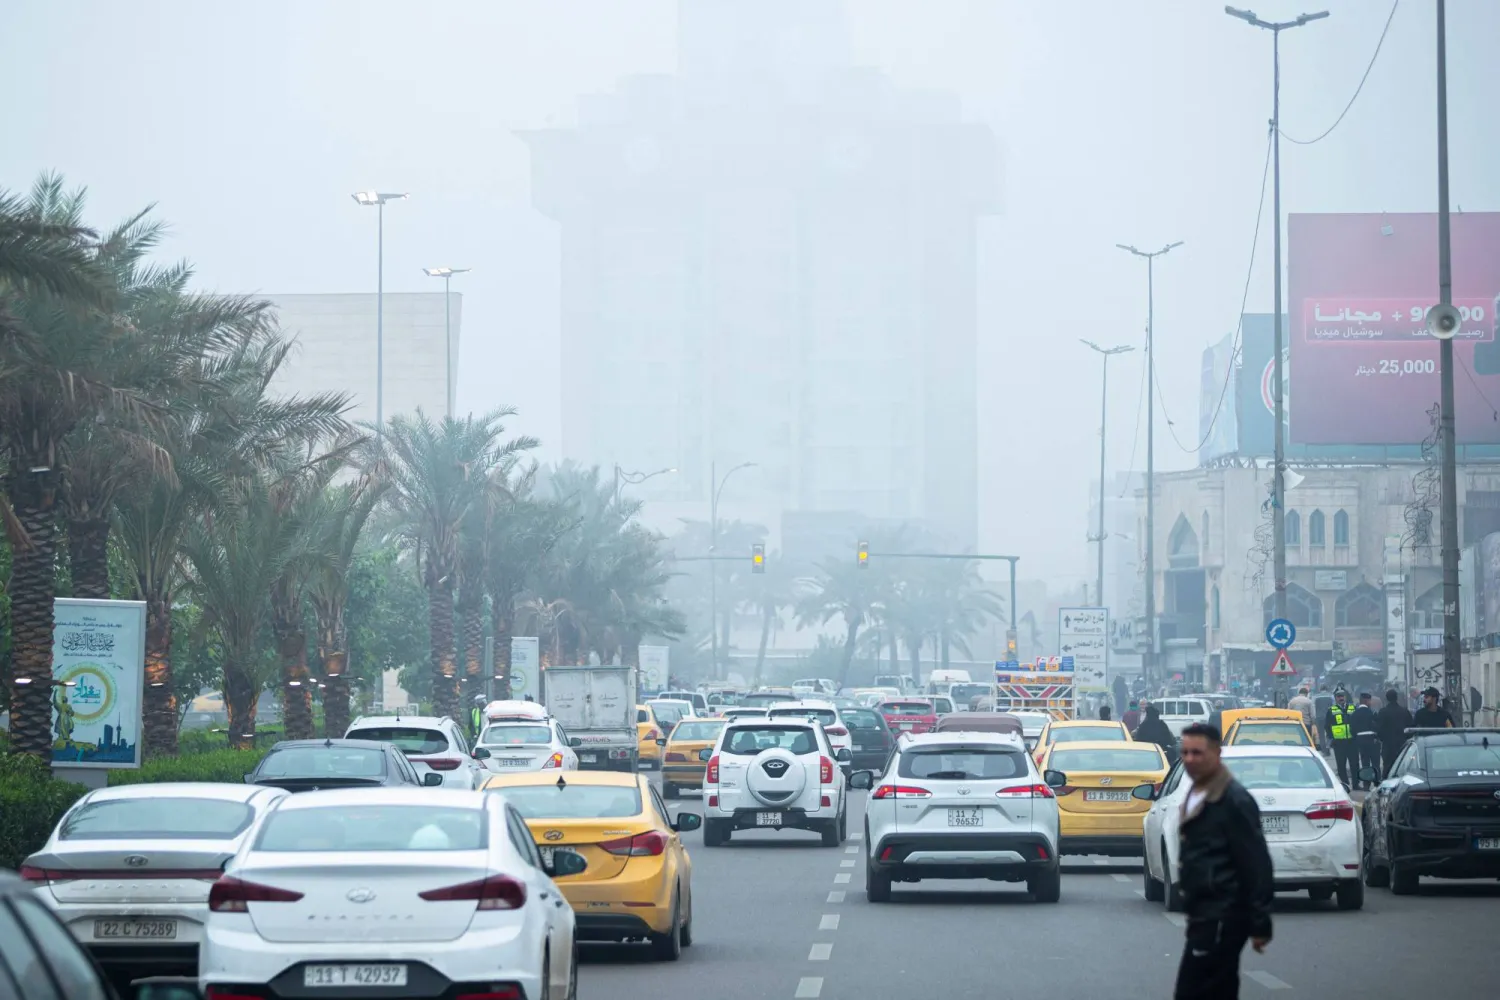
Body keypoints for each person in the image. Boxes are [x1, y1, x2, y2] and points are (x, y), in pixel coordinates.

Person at [1173, 723, 1273, 1000]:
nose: (1190, 759)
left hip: (1222, 914)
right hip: (1204, 913)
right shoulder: (1199, 792)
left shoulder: (1233, 800)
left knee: (1194, 991)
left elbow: (1256, 862)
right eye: (1185, 752)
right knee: (1220, 989)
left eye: (1197, 753)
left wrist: (1259, 921)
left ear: (1216, 753)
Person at [1323, 689, 1358, 789]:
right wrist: (1332, 738)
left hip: (1352, 741)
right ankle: (1345, 784)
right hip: (1339, 742)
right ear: (1335, 698)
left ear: (1345, 697)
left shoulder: (1353, 707)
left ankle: (1356, 785)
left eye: (1342, 696)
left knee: (1354, 764)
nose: (1341, 698)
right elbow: (1327, 726)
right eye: (1338, 696)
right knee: (1341, 765)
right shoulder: (1332, 710)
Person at [1375, 689, 1413, 778]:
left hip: (1388, 745)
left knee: (1387, 767)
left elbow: (1378, 729)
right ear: (1397, 698)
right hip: (1403, 744)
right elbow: (1410, 727)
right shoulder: (1404, 711)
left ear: (1386, 699)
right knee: (1402, 766)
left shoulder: (1383, 712)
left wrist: (1382, 739)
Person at [1351, 692, 1380, 791]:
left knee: (1365, 763)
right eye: (1370, 701)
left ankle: (1366, 785)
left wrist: (1357, 738)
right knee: (1375, 762)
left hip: (1360, 740)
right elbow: (1377, 726)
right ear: (1366, 701)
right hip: (1372, 739)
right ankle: (1377, 782)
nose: (1370, 702)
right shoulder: (1371, 712)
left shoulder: (1355, 713)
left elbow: (1352, 729)